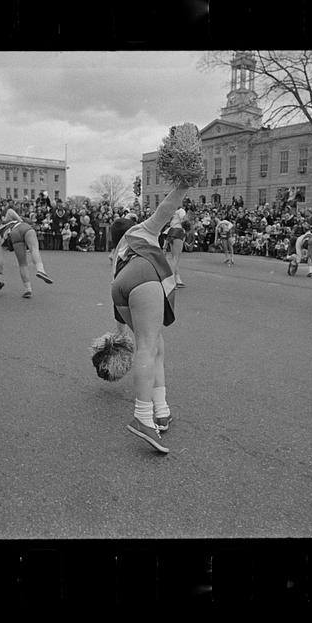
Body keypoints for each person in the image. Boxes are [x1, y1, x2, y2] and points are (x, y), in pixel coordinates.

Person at [109, 182, 191, 455]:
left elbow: (116, 299)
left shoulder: (117, 251)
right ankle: (143, 415)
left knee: (155, 344)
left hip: (120, 285)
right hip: (144, 275)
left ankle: (162, 409)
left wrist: (120, 333)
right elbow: (167, 208)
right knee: (148, 345)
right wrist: (184, 184)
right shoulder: (141, 230)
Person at [0, 208, 54, 298]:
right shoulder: (9, 221)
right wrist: (20, 221)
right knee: (34, 249)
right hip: (23, 227)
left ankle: (28, 289)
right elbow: (10, 211)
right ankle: (40, 270)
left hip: (14, 235)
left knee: (22, 264)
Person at [165, 203, 188, 288]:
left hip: (171, 232)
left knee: (174, 257)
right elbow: (184, 220)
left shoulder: (173, 212)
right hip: (178, 231)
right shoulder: (181, 211)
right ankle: (171, 280)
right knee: (176, 258)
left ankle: (177, 279)